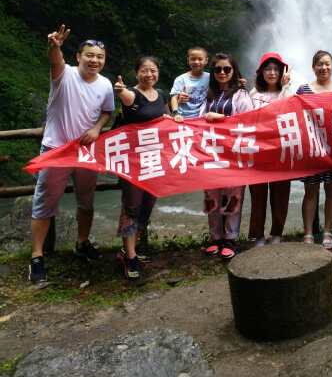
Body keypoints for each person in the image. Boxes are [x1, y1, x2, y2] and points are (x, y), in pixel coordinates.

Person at [29, 26, 115, 286]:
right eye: (89, 55)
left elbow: (107, 112)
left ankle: (82, 242)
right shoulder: (63, 74)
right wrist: (54, 45)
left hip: (85, 153)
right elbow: (55, 60)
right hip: (56, 149)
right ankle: (36, 257)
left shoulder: (105, 84)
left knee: (86, 201)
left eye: (99, 57)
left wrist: (97, 128)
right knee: (45, 203)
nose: (94, 60)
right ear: (78, 56)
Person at [113, 57, 176, 279]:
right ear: (136, 73)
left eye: (153, 70)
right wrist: (120, 90)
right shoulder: (132, 94)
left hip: (154, 161)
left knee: (147, 205)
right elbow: (126, 98)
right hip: (132, 162)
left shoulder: (161, 95)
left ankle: (129, 250)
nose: (149, 74)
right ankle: (130, 256)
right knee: (131, 207)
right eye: (144, 71)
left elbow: (167, 117)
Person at [202, 53, 254, 259]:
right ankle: (215, 237)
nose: (222, 73)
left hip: (234, 153)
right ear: (213, 73)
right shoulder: (208, 95)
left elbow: (248, 120)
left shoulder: (241, 95)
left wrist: (221, 118)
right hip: (211, 152)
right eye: (218, 69)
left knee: (233, 196)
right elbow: (198, 120)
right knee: (211, 196)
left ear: (234, 72)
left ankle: (230, 239)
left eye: (227, 69)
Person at [297, 50, 332, 250]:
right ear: (313, 67)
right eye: (319, 64)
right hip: (312, 147)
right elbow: (295, 116)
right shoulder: (303, 90)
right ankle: (308, 233)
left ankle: (327, 231)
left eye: (327, 64)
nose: (324, 67)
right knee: (311, 190)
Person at [248, 52, 293, 245]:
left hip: (281, 149)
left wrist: (286, 85)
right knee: (258, 195)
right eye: (268, 69)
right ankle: (258, 234)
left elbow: (288, 109)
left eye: (276, 69)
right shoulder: (253, 94)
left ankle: (277, 233)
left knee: (281, 193)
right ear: (261, 72)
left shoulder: (289, 92)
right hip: (258, 150)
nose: (272, 72)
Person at [169, 47, 210, 119]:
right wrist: (175, 112)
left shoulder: (210, 77)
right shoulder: (181, 79)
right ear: (188, 60)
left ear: (206, 61)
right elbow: (174, 97)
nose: (196, 62)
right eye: (193, 59)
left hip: (203, 117)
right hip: (183, 117)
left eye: (200, 59)